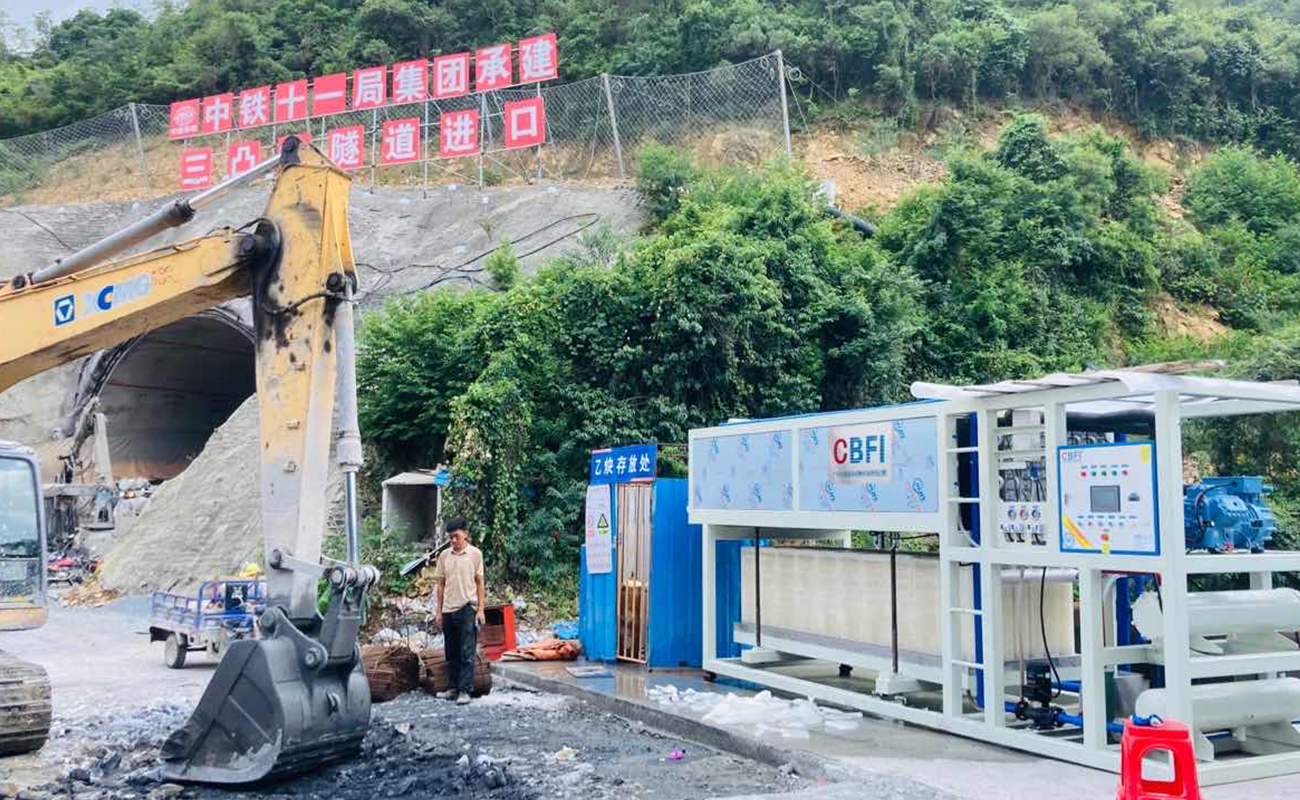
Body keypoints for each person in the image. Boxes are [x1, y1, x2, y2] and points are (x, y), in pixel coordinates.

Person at [433, 516, 485, 705]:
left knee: (466, 652)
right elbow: (440, 584)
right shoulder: (444, 556)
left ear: (466, 534)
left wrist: (481, 609)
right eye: (450, 537)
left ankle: (465, 690)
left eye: (456, 536)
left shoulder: (475, 554)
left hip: (467, 608)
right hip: (448, 609)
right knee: (451, 651)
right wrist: (438, 611)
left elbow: (480, 582)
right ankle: (454, 688)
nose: (453, 540)